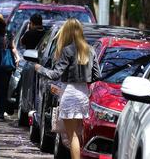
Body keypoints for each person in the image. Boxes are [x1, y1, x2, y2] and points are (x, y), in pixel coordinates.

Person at [33, 19, 100, 159]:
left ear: (67, 33)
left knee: (72, 136)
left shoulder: (67, 50)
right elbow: (97, 75)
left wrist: (40, 69)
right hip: (83, 94)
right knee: (78, 133)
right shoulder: (91, 50)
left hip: (69, 93)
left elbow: (55, 74)